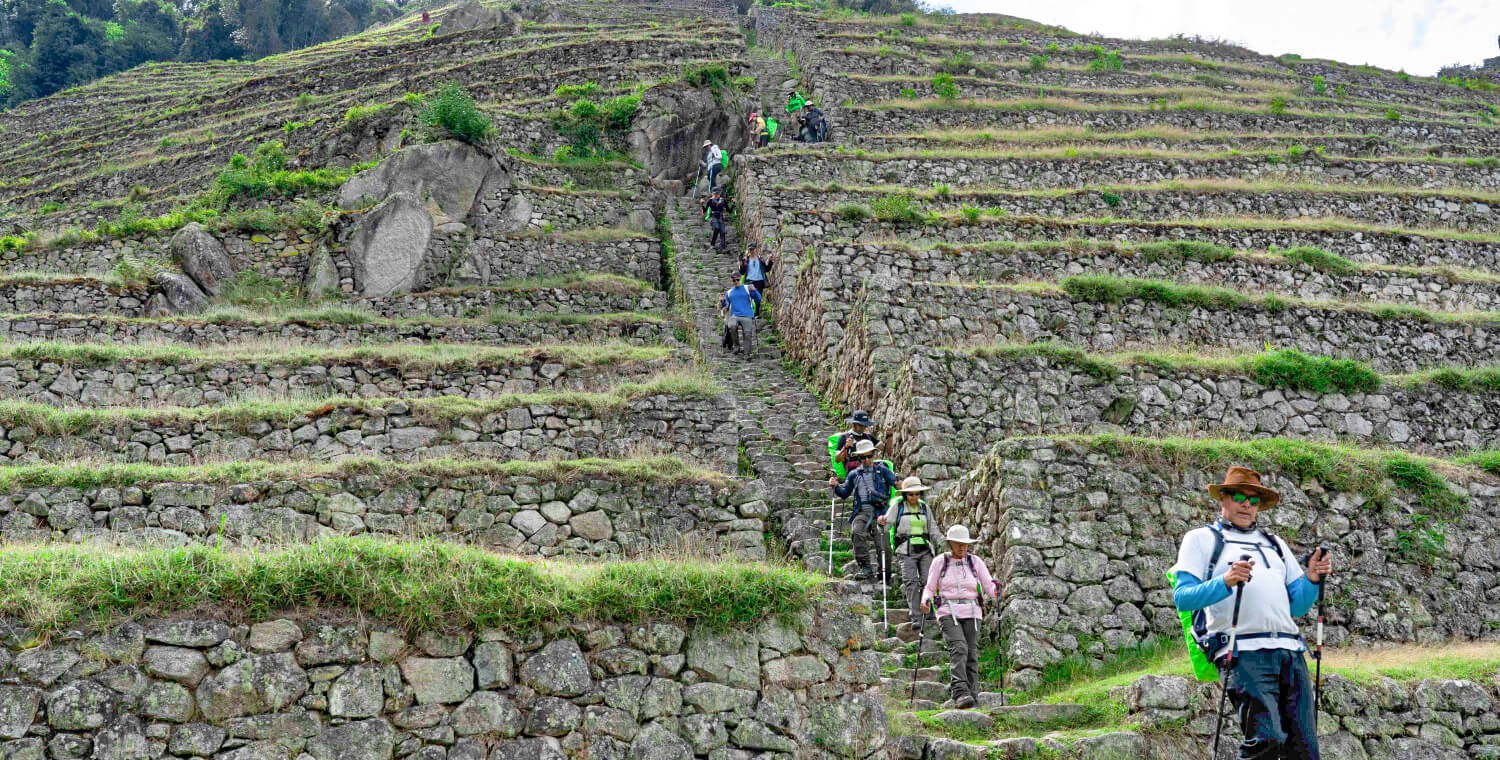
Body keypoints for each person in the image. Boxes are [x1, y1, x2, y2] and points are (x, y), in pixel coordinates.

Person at [1171, 467, 1332, 760]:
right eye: (1240, 496)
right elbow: (1183, 598)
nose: (1247, 504)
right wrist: (1226, 581)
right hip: (1241, 652)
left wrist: (1311, 578)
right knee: (1266, 741)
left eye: (1254, 500)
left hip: (1290, 652)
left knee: (1305, 750)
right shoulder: (1200, 539)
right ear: (1223, 499)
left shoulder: (1275, 544)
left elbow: (1297, 606)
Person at [921, 525, 999, 709]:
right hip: (948, 611)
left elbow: (989, 586)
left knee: (971, 653)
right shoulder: (940, 562)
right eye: (958, 544)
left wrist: (998, 591)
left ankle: (972, 696)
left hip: (973, 612)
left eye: (965, 544)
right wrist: (925, 600)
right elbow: (930, 587)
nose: (962, 548)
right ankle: (960, 693)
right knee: (959, 647)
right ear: (950, 544)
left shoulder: (975, 562)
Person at [827, 439, 898, 582]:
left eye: (869, 456)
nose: (866, 460)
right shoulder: (854, 474)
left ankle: (885, 574)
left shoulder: (883, 470)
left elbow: (896, 483)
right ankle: (865, 568)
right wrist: (835, 486)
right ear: (858, 458)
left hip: (881, 512)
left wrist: (908, 489)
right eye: (862, 457)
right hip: (862, 512)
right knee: (856, 531)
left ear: (873, 455)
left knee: (883, 545)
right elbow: (844, 493)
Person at [880, 476, 943, 628]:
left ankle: (929, 614)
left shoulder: (924, 508)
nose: (914, 497)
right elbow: (886, 525)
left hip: (925, 549)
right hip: (905, 550)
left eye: (917, 494)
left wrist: (944, 542)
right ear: (905, 495)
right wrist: (881, 523)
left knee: (928, 582)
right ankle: (916, 617)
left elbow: (933, 529)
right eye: (910, 494)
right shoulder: (898, 506)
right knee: (911, 582)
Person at [719, 275, 760, 358]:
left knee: (747, 334)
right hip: (735, 315)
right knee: (731, 325)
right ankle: (736, 346)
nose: (736, 282)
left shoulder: (747, 288)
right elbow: (726, 306)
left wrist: (754, 290)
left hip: (747, 315)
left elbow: (758, 299)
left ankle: (746, 354)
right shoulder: (729, 292)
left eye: (737, 280)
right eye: (734, 280)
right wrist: (722, 301)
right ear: (732, 281)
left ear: (740, 279)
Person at [832, 410, 879, 475]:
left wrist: (889, 436)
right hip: (854, 472)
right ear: (854, 424)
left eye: (865, 425)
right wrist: (845, 447)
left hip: (869, 468)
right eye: (861, 425)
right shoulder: (844, 437)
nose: (864, 427)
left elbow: (887, 450)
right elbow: (837, 459)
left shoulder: (868, 437)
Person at [739, 243, 772, 313]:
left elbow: (766, 269)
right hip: (749, 281)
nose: (752, 250)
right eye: (750, 249)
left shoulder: (760, 259)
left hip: (759, 281)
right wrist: (741, 263)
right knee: (748, 297)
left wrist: (770, 261)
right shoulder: (746, 260)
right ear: (748, 250)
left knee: (757, 298)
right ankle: (748, 312)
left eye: (753, 249)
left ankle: (756, 313)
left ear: (755, 249)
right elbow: (742, 272)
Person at [702, 188, 729, 253]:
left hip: (720, 218)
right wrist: (702, 204)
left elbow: (729, 210)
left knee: (722, 232)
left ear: (719, 193)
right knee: (717, 228)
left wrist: (733, 205)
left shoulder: (723, 200)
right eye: (715, 193)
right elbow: (705, 210)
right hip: (713, 217)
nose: (716, 195)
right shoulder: (710, 201)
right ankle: (712, 244)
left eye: (717, 193)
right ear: (712, 194)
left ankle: (722, 248)